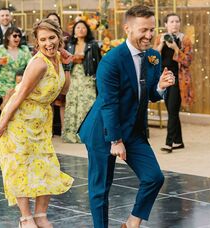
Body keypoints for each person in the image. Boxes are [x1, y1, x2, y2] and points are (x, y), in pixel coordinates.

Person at [78, 5, 175, 228]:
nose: (149, 35)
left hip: (132, 128)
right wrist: (116, 140)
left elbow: (148, 94)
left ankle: (132, 222)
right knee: (101, 188)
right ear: (127, 29)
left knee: (154, 177)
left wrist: (160, 87)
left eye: (152, 29)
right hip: (103, 129)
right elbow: (109, 103)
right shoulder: (112, 60)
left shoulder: (153, 57)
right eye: (143, 30)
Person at [0, 18, 73, 228]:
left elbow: (64, 91)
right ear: (36, 43)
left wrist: (67, 64)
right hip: (19, 120)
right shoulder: (38, 63)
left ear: (60, 37)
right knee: (21, 168)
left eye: (52, 38)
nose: (49, 43)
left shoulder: (57, 58)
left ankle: (40, 215)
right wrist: (2, 123)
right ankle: (26, 218)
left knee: (46, 166)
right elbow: (18, 97)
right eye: (43, 40)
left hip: (41, 121)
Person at [154, 13, 193, 153]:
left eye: (177, 21)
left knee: (172, 110)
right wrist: (161, 44)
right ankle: (179, 141)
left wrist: (175, 48)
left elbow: (188, 61)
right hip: (164, 78)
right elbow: (152, 59)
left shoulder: (185, 40)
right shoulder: (160, 38)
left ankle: (169, 143)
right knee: (172, 110)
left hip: (178, 79)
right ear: (166, 24)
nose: (175, 24)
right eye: (171, 21)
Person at [62, 20, 101, 143]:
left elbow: (98, 62)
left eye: (83, 27)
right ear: (74, 31)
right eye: (78, 27)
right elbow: (65, 61)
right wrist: (72, 60)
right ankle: (70, 135)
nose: (80, 30)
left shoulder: (93, 44)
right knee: (72, 104)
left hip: (87, 77)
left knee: (88, 104)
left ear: (87, 30)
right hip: (73, 77)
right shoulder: (69, 45)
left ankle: (87, 134)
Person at [0, 27, 32, 103]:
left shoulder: (24, 49)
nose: (17, 38)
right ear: (8, 37)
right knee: (7, 105)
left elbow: (30, 65)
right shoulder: (0, 49)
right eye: (15, 36)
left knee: (19, 106)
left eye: (19, 36)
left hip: (20, 81)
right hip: (5, 82)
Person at [46, 13, 71, 135]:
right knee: (49, 102)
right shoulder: (41, 56)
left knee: (62, 101)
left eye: (55, 20)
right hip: (49, 71)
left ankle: (63, 130)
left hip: (62, 68)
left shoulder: (66, 36)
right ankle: (48, 129)